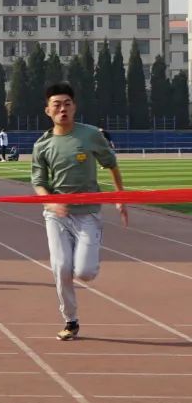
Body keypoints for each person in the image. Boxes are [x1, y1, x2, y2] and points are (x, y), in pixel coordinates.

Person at [32, 82, 127, 341]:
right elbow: (38, 182)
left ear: (74, 107)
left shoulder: (90, 135)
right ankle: (70, 320)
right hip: (57, 215)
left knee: (85, 272)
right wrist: (51, 203)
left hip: (88, 213)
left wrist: (120, 197)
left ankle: (92, 244)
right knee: (61, 267)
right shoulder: (42, 145)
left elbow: (111, 163)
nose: (62, 109)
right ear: (48, 110)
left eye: (67, 104)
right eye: (57, 105)